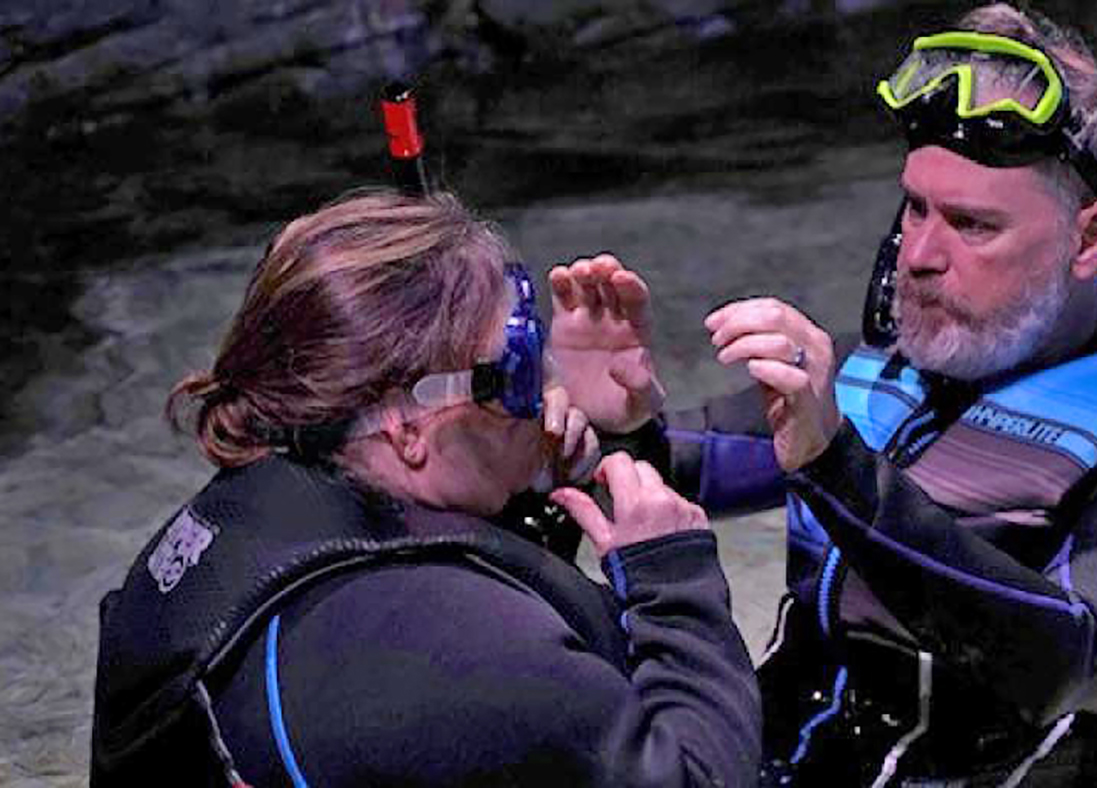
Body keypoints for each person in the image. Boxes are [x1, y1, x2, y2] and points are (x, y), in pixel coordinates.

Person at [565, 4, 1097, 786]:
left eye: (973, 224)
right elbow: (682, 472)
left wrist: (834, 463)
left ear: (1090, 236)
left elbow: (1062, 661)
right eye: (916, 207)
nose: (921, 255)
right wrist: (619, 422)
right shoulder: (887, 368)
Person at [89, 189, 761, 787]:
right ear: (408, 426)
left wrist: (599, 449)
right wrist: (674, 582)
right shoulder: (449, 650)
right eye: (519, 372)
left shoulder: (271, 503)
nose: (549, 391)